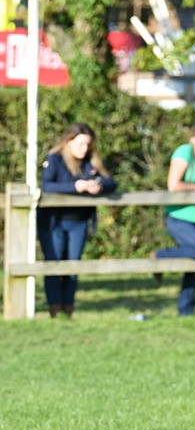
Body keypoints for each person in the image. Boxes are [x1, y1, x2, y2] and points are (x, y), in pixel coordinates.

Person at [37, 122, 116, 317]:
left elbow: (111, 182)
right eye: (81, 144)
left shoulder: (90, 162)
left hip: (79, 222)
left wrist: (100, 187)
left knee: (73, 266)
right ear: (69, 141)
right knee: (54, 265)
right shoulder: (55, 160)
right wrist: (76, 186)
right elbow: (47, 186)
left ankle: (69, 308)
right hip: (53, 222)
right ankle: (54, 309)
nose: (85, 148)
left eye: (88, 144)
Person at [153, 121, 195, 316]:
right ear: (193, 139)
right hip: (179, 217)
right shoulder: (184, 152)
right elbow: (174, 184)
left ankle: (186, 311)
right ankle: (159, 256)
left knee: (193, 265)